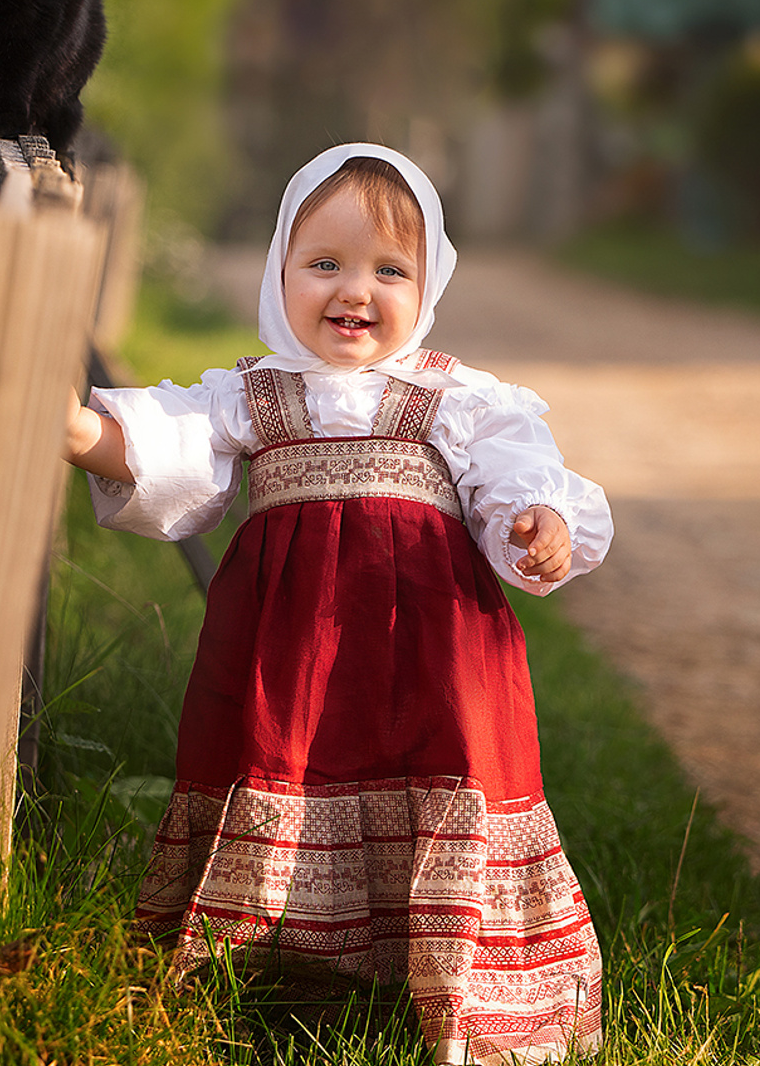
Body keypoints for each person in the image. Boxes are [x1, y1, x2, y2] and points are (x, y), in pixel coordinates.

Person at [63, 142, 613, 1064]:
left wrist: (539, 518)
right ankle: (278, 966)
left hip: (433, 651)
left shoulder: (452, 397)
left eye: (388, 270)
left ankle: (461, 987)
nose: (354, 290)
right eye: (324, 264)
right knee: (281, 761)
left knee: (448, 771)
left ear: (429, 283)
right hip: (290, 648)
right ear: (280, 272)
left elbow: (517, 474)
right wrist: (83, 431)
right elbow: (173, 446)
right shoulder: (255, 393)